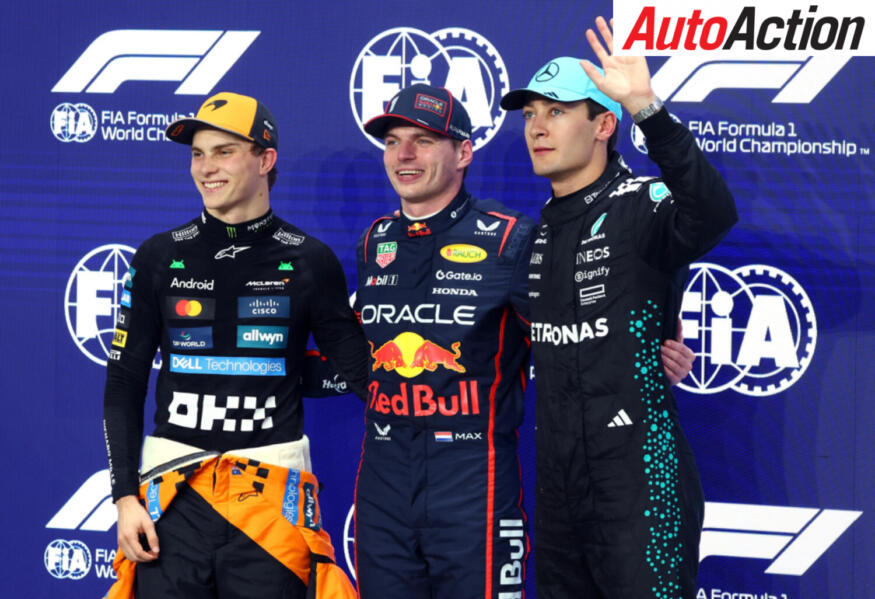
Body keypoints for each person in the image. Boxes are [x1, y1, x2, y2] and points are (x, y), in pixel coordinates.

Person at [341, 83, 696, 599]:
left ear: (463, 152)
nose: (405, 155)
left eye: (422, 140)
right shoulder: (374, 240)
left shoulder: (511, 238)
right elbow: (357, 348)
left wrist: (647, 347)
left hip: (473, 486)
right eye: (394, 141)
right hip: (382, 486)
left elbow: (579, 327)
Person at [500, 18, 738, 599]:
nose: (537, 128)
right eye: (530, 114)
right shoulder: (537, 233)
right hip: (558, 486)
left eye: (556, 112)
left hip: (640, 482)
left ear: (604, 124)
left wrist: (647, 109)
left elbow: (712, 213)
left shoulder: (642, 203)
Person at [102, 91, 367, 599]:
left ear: (265, 160)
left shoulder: (311, 260)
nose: (206, 168)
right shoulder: (158, 256)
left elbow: (361, 373)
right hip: (172, 498)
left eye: (224, 151)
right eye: (198, 154)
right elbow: (124, 381)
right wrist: (124, 498)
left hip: (271, 501)